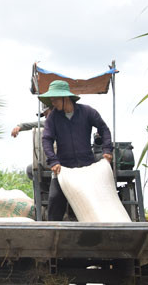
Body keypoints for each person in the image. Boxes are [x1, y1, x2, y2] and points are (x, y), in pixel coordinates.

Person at [40, 80, 112, 221]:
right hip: (64, 169)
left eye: (55, 100)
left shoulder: (87, 112)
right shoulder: (53, 118)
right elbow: (46, 140)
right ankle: (53, 233)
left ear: (65, 98)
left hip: (86, 167)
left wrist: (107, 150)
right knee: (55, 199)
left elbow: (104, 129)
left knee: (89, 202)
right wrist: (53, 161)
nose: (52, 103)